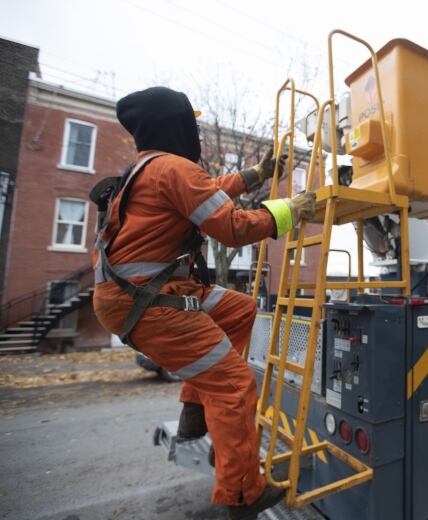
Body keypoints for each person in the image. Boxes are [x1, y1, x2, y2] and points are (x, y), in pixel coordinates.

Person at [91, 86, 315, 519]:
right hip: (149, 300)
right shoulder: (174, 168)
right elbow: (230, 227)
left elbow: (210, 190)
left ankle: (195, 410)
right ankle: (242, 493)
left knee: (240, 310)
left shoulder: (150, 168)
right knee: (233, 386)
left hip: (146, 294)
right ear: (177, 125)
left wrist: (257, 173)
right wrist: (291, 209)